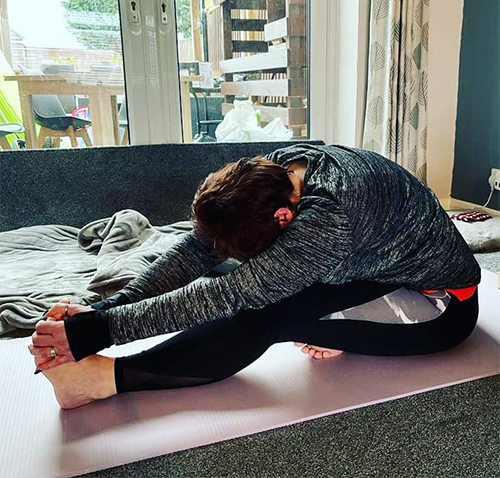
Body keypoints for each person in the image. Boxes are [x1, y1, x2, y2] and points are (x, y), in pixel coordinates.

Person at [29, 144, 481, 409]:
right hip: (372, 266)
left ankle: (105, 380)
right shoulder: (280, 169)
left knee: (264, 313)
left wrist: (97, 334)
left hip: (438, 303)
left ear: (285, 217)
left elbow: (232, 296)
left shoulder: (330, 217)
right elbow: (196, 250)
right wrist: (106, 310)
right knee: (230, 277)